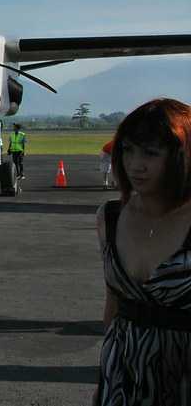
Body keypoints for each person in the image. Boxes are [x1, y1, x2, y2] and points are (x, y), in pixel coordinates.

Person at [95, 98, 191, 405]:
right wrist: (104, 379)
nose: (136, 164)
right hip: (124, 375)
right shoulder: (109, 218)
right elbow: (113, 304)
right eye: (128, 150)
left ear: (182, 156)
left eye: (151, 153)